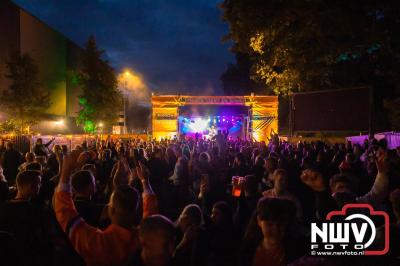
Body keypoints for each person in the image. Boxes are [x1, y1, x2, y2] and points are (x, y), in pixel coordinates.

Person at [54, 152, 158, 266]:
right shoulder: (145, 237)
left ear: (111, 211)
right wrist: (145, 182)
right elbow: (151, 213)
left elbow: (65, 213)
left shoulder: (97, 243)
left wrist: (65, 172)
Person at [0, 170, 54, 266]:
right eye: (38, 183)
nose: (40, 186)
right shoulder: (33, 211)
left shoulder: (4, 206)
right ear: (30, 186)